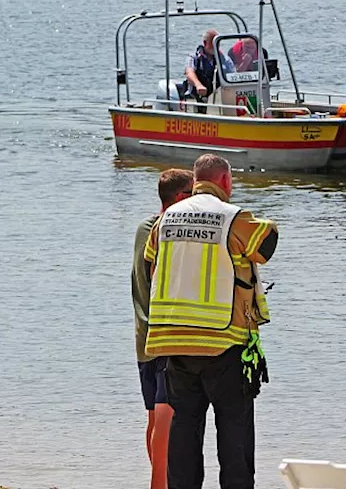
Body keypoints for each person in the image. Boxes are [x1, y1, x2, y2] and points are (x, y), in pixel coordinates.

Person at [143, 154, 279, 489]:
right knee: (234, 436)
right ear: (225, 181)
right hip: (224, 343)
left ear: (194, 179)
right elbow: (268, 243)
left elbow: (151, 265)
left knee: (184, 433)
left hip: (174, 343)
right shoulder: (232, 218)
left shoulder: (164, 221)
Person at [134, 169, 194, 489]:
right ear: (182, 197)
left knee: (153, 418)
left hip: (142, 335)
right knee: (166, 416)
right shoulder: (170, 232)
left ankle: (161, 481)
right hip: (165, 337)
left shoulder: (144, 227)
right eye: (194, 194)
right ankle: (160, 486)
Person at [182, 29, 236, 106]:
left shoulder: (224, 58)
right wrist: (198, 85)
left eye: (217, 44)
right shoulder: (194, 57)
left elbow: (232, 74)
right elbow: (189, 72)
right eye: (213, 43)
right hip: (197, 98)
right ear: (205, 43)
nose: (216, 47)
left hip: (219, 98)